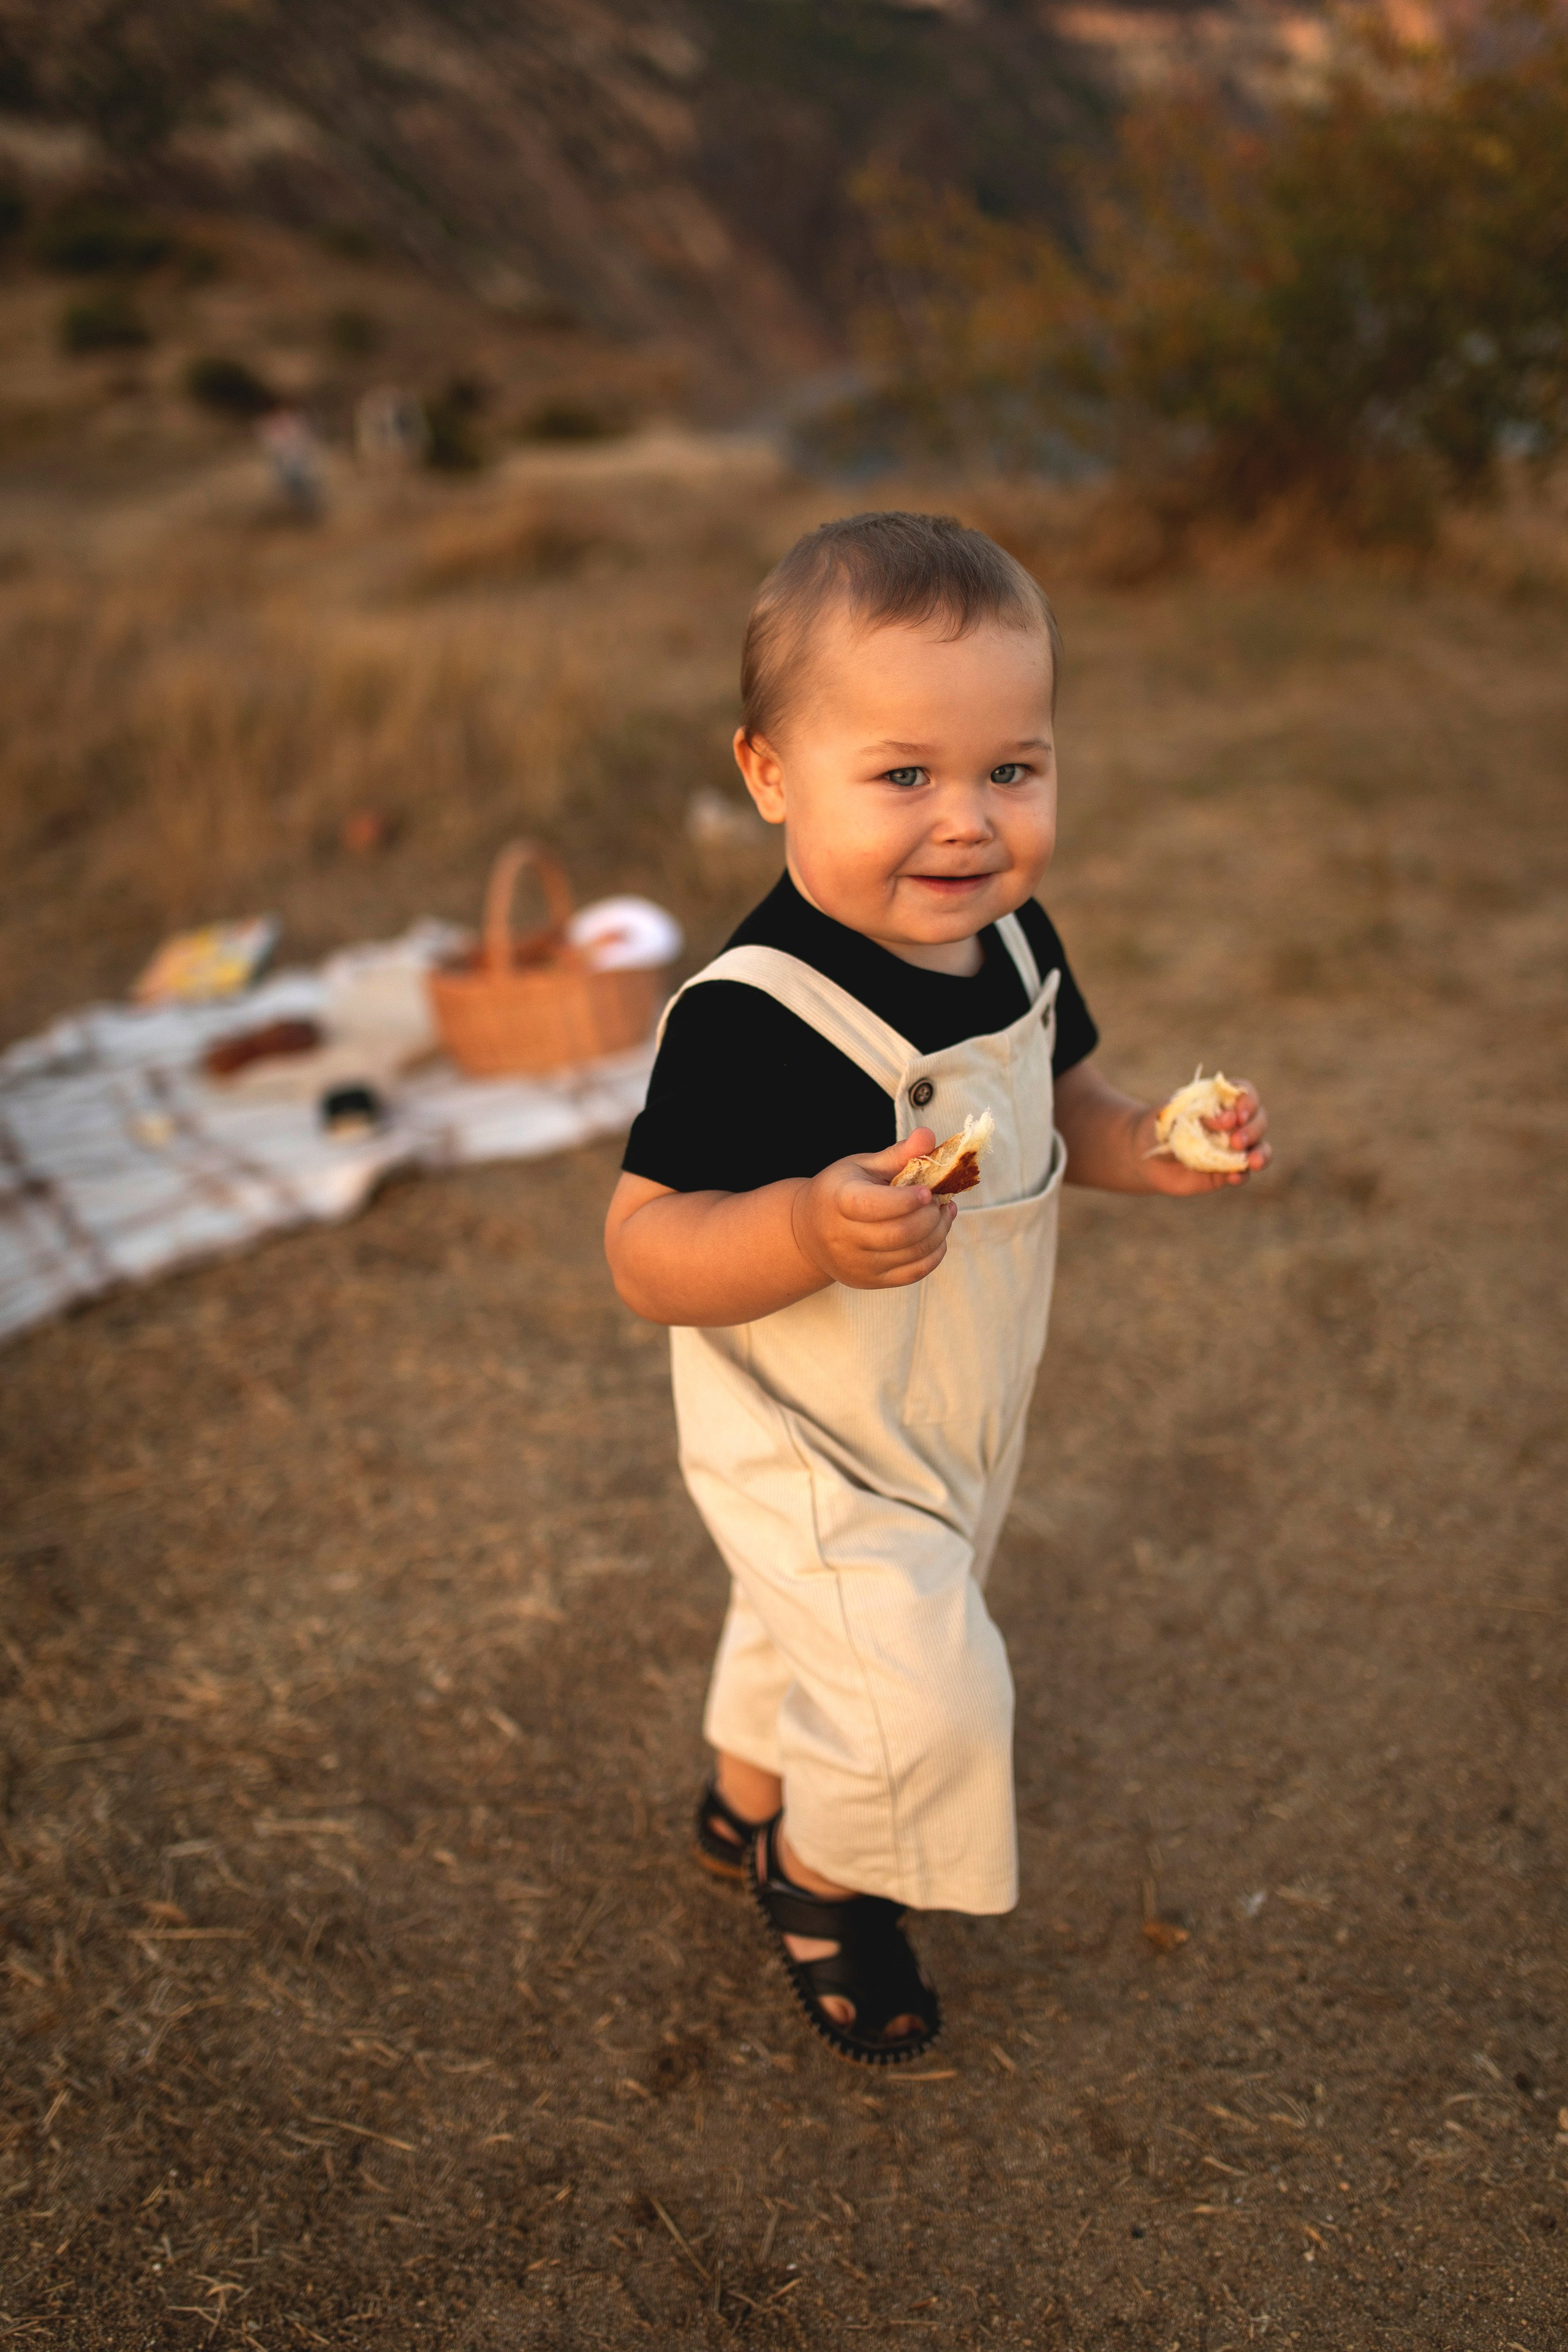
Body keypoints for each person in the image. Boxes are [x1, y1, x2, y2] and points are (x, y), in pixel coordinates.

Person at [603, 511, 1270, 2067]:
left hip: (948, 1405)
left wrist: (1151, 1150)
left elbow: (1069, 1104)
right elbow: (643, 1250)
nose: (965, 824)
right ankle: (819, 1873)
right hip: (807, 1426)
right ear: (770, 774)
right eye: (902, 775)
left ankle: (740, 1793)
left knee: (813, 1625)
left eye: (1011, 771)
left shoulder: (1013, 939)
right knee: (920, 1692)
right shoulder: (755, 1016)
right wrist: (799, 1227)